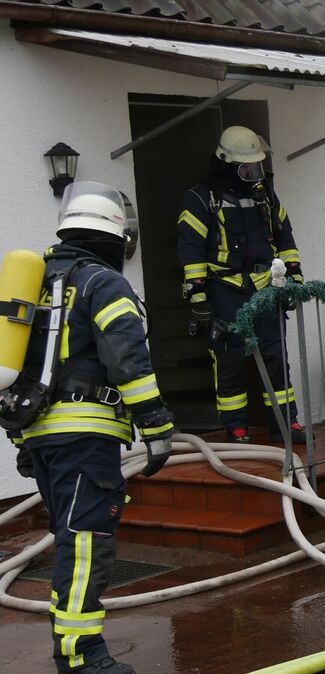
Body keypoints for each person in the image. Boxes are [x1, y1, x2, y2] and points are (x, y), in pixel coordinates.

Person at [12, 181, 175, 674]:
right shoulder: (102, 283)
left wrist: (22, 439)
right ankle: (82, 657)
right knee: (86, 543)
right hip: (86, 437)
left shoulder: (41, 281)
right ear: (112, 238)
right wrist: (156, 423)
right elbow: (127, 357)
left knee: (70, 538)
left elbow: (24, 365)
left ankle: (76, 649)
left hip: (42, 435)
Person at [177, 125, 304, 444]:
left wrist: (295, 275)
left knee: (275, 355)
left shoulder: (265, 193)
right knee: (230, 358)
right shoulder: (200, 198)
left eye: (256, 167)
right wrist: (198, 293)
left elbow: (284, 235)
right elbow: (190, 247)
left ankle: (285, 422)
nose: (253, 173)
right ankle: (235, 426)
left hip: (266, 286)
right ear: (226, 164)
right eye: (246, 168)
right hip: (225, 289)